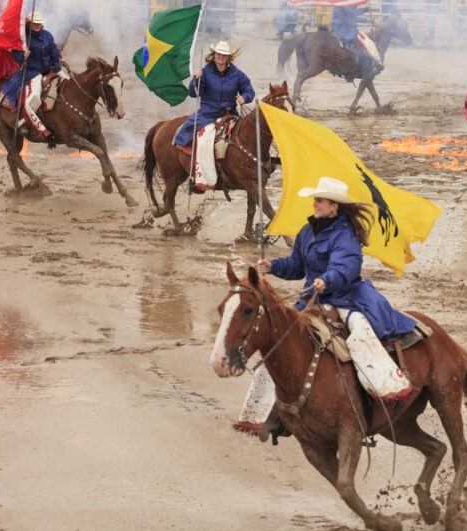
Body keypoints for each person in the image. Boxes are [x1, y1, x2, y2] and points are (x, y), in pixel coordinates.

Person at [235, 176, 415, 435]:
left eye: (320, 200)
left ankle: (385, 387)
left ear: (334, 207)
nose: (315, 204)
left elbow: (347, 266)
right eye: (315, 200)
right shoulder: (307, 231)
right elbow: (297, 266)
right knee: (278, 342)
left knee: (360, 334)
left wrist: (326, 280)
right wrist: (274, 267)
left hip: (346, 298)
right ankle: (264, 415)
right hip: (311, 299)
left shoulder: (346, 234)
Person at [172, 41, 254, 193]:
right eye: (218, 54)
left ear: (228, 57)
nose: (221, 57)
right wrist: (196, 80)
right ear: (214, 55)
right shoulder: (205, 72)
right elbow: (193, 93)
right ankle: (203, 180)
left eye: (224, 55)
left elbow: (249, 90)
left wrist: (245, 97)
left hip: (230, 115)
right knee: (204, 142)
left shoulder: (237, 74)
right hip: (208, 115)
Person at [1, 12, 63, 138]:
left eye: (39, 23)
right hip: (32, 71)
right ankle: (26, 122)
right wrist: (23, 55)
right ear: (29, 24)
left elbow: (54, 50)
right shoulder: (23, 38)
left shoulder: (47, 35)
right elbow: (16, 56)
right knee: (33, 97)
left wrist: (59, 59)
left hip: (50, 67)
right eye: (34, 23)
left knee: (68, 80)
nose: (37, 26)